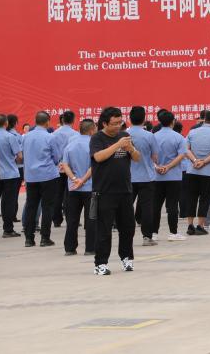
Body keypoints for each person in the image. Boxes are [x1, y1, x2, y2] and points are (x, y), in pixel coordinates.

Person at [91, 106, 141, 275]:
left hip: (125, 190)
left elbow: (137, 158)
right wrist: (118, 145)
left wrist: (130, 149)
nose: (118, 126)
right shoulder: (97, 138)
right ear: (105, 123)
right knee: (104, 230)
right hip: (104, 191)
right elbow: (98, 157)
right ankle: (100, 263)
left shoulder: (125, 136)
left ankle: (127, 258)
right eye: (114, 123)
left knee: (128, 227)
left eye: (120, 122)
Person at [22, 111, 62, 247]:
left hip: (31, 176)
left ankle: (29, 239)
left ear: (35, 121)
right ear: (47, 122)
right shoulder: (50, 137)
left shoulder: (26, 137)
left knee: (31, 206)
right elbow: (56, 158)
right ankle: (45, 238)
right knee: (47, 207)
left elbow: (24, 155)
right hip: (48, 175)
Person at [182, 110, 210, 235]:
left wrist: (195, 160)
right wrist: (204, 162)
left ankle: (190, 225)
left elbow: (186, 149)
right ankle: (200, 226)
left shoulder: (192, 132)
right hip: (208, 172)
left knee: (191, 197)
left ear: (204, 119)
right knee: (205, 199)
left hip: (192, 170)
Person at [60, 119, 96, 256]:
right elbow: (94, 166)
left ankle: (70, 248)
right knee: (91, 218)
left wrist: (74, 179)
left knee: (72, 219)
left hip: (73, 188)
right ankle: (90, 248)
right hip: (90, 187)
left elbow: (65, 165)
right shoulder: (93, 145)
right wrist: (83, 180)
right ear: (91, 130)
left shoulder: (70, 145)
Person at [153, 110, 188, 241]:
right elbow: (181, 155)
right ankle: (173, 233)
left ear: (160, 122)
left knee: (156, 205)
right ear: (173, 122)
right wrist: (168, 167)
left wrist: (157, 166)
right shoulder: (178, 137)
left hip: (157, 176)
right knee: (172, 205)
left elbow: (149, 155)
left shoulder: (153, 136)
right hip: (173, 176)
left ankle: (153, 233)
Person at [127, 106, 159, 246]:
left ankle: (126, 235)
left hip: (128, 177)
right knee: (147, 208)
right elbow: (155, 157)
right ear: (144, 118)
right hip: (147, 177)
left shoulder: (124, 135)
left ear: (129, 118)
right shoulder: (149, 136)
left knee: (126, 207)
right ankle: (147, 237)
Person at [0, 114, 21, 239]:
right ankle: (8, 230)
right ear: (6, 123)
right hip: (10, 174)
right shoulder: (10, 137)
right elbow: (19, 156)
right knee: (8, 203)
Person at [50, 111, 78, 228]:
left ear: (62, 120)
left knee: (58, 194)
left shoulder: (54, 134)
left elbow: (52, 152)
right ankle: (70, 218)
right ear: (73, 120)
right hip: (71, 168)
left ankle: (56, 219)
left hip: (58, 167)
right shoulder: (75, 134)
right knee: (70, 194)